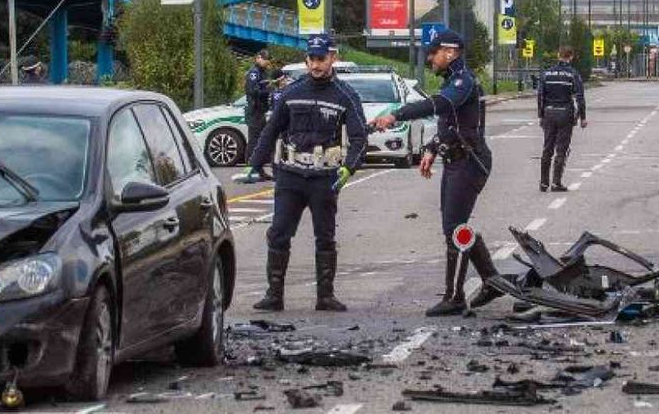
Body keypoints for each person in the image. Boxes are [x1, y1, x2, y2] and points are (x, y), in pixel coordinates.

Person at [371, 30, 504, 317]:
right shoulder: (453, 82)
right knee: (455, 225)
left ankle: (455, 297)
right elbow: (453, 125)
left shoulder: (462, 81)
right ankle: (492, 280)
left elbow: (439, 106)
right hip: (458, 158)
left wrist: (397, 114)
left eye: (433, 52)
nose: (429, 58)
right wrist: (432, 148)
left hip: (470, 161)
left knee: (454, 228)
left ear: (450, 52)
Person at [239, 34, 367, 312]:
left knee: (325, 236)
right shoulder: (292, 92)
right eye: (312, 59)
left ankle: (325, 296)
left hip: (324, 178)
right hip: (290, 176)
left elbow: (360, 137)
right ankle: (274, 295)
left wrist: (350, 167)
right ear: (306, 60)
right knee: (279, 233)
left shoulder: (345, 95)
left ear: (332, 59)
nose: (316, 64)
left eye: (321, 59)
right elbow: (271, 130)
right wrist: (255, 162)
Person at [537, 45, 587, 192]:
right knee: (561, 149)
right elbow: (580, 97)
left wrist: (541, 115)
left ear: (558, 55)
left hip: (549, 113)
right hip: (565, 113)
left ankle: (543, 182)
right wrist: (582, 117)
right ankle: (556, 182)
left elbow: (540, 96)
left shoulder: (546, 74)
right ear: (570, 57)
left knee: (547, 148)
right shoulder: (573, 74)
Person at [243, 49, 273, 174]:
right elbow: (253, 91)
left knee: (261, 140)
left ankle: (258, 168)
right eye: (265, 59)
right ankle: (250, 168)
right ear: (258, 58)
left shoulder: (263, 72)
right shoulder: (254, 73)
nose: (266, 62)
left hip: (261, 110)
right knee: (254, 140)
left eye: (267, 60)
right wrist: (269, 91)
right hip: (255, 110)